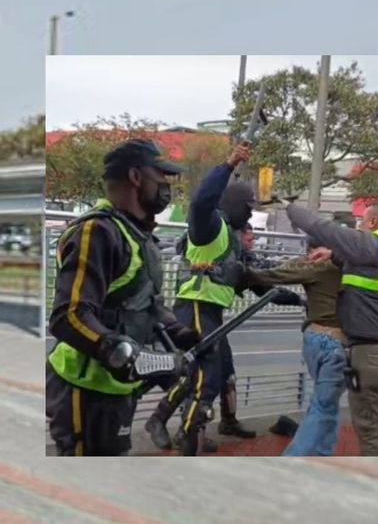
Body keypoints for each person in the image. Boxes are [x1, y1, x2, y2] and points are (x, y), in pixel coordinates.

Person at [45, 139, 197, 456]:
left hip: (119, 388)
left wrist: (179, 333)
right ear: (136, 177)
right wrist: (119, 352)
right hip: (84, 389)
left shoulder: (139, 236)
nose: (167, 186)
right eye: (161, 176)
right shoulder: (98, 232)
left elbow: (145, 303)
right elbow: (68, 315)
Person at [145, 142, 258, 455]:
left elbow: (245, 274)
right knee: (205, 378)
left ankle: (162, 420)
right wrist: (228, 165)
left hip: (211, 311)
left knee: (217, 370)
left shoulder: (232, 238)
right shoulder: (210, 226)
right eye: (248, 207)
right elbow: (199, 203)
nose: (250, 214)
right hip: (196, 307)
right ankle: (186, 433)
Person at [287, 200, 378, 456]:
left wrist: (289, 207)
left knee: (368, 428)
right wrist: (333, 255)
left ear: (373, 222)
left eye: (362, 221)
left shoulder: (373, 242)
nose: (360, 226)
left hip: (372, 353)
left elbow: (322, 228)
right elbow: (371, 267)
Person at [247, 246, 344, 455]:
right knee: (327, 403)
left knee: (324, 404)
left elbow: (277, 274)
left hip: (322, 337)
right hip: (341, 340)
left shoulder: (317, 264)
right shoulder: (357, 262)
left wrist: (244, 273)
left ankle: (302, 456)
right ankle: (318, 452)